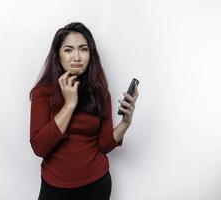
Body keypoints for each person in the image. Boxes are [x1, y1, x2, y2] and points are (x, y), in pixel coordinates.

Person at [29, 22, 139, 200]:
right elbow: (39, 147)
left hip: (97, 185)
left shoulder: (100, 92)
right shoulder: (42, 93)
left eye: (83, 49)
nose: (77, 56)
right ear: (58, 56)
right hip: (56, 188)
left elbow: (103, 145)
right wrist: (69, 105)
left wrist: (125, 123)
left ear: (91, 55)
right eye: (68, 50)